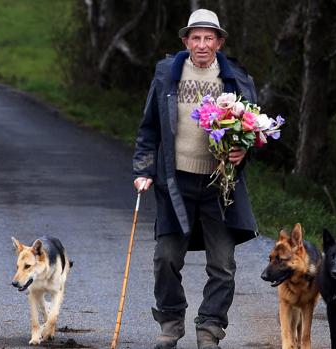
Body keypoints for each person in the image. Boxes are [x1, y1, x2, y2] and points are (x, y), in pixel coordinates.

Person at [132, 8, 259, 349]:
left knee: (223, 264)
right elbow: (149, 128)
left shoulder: (236, 80)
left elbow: (254, 132)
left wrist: (243, 150)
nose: (202, 44)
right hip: (176, 182)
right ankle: (171, 324)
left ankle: (210, 328)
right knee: (166, 257)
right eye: (195, 37)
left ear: (219, 42)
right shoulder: (166, 76)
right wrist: (144, 170)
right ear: (186, 41)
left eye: (209, 38)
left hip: (221, 186)